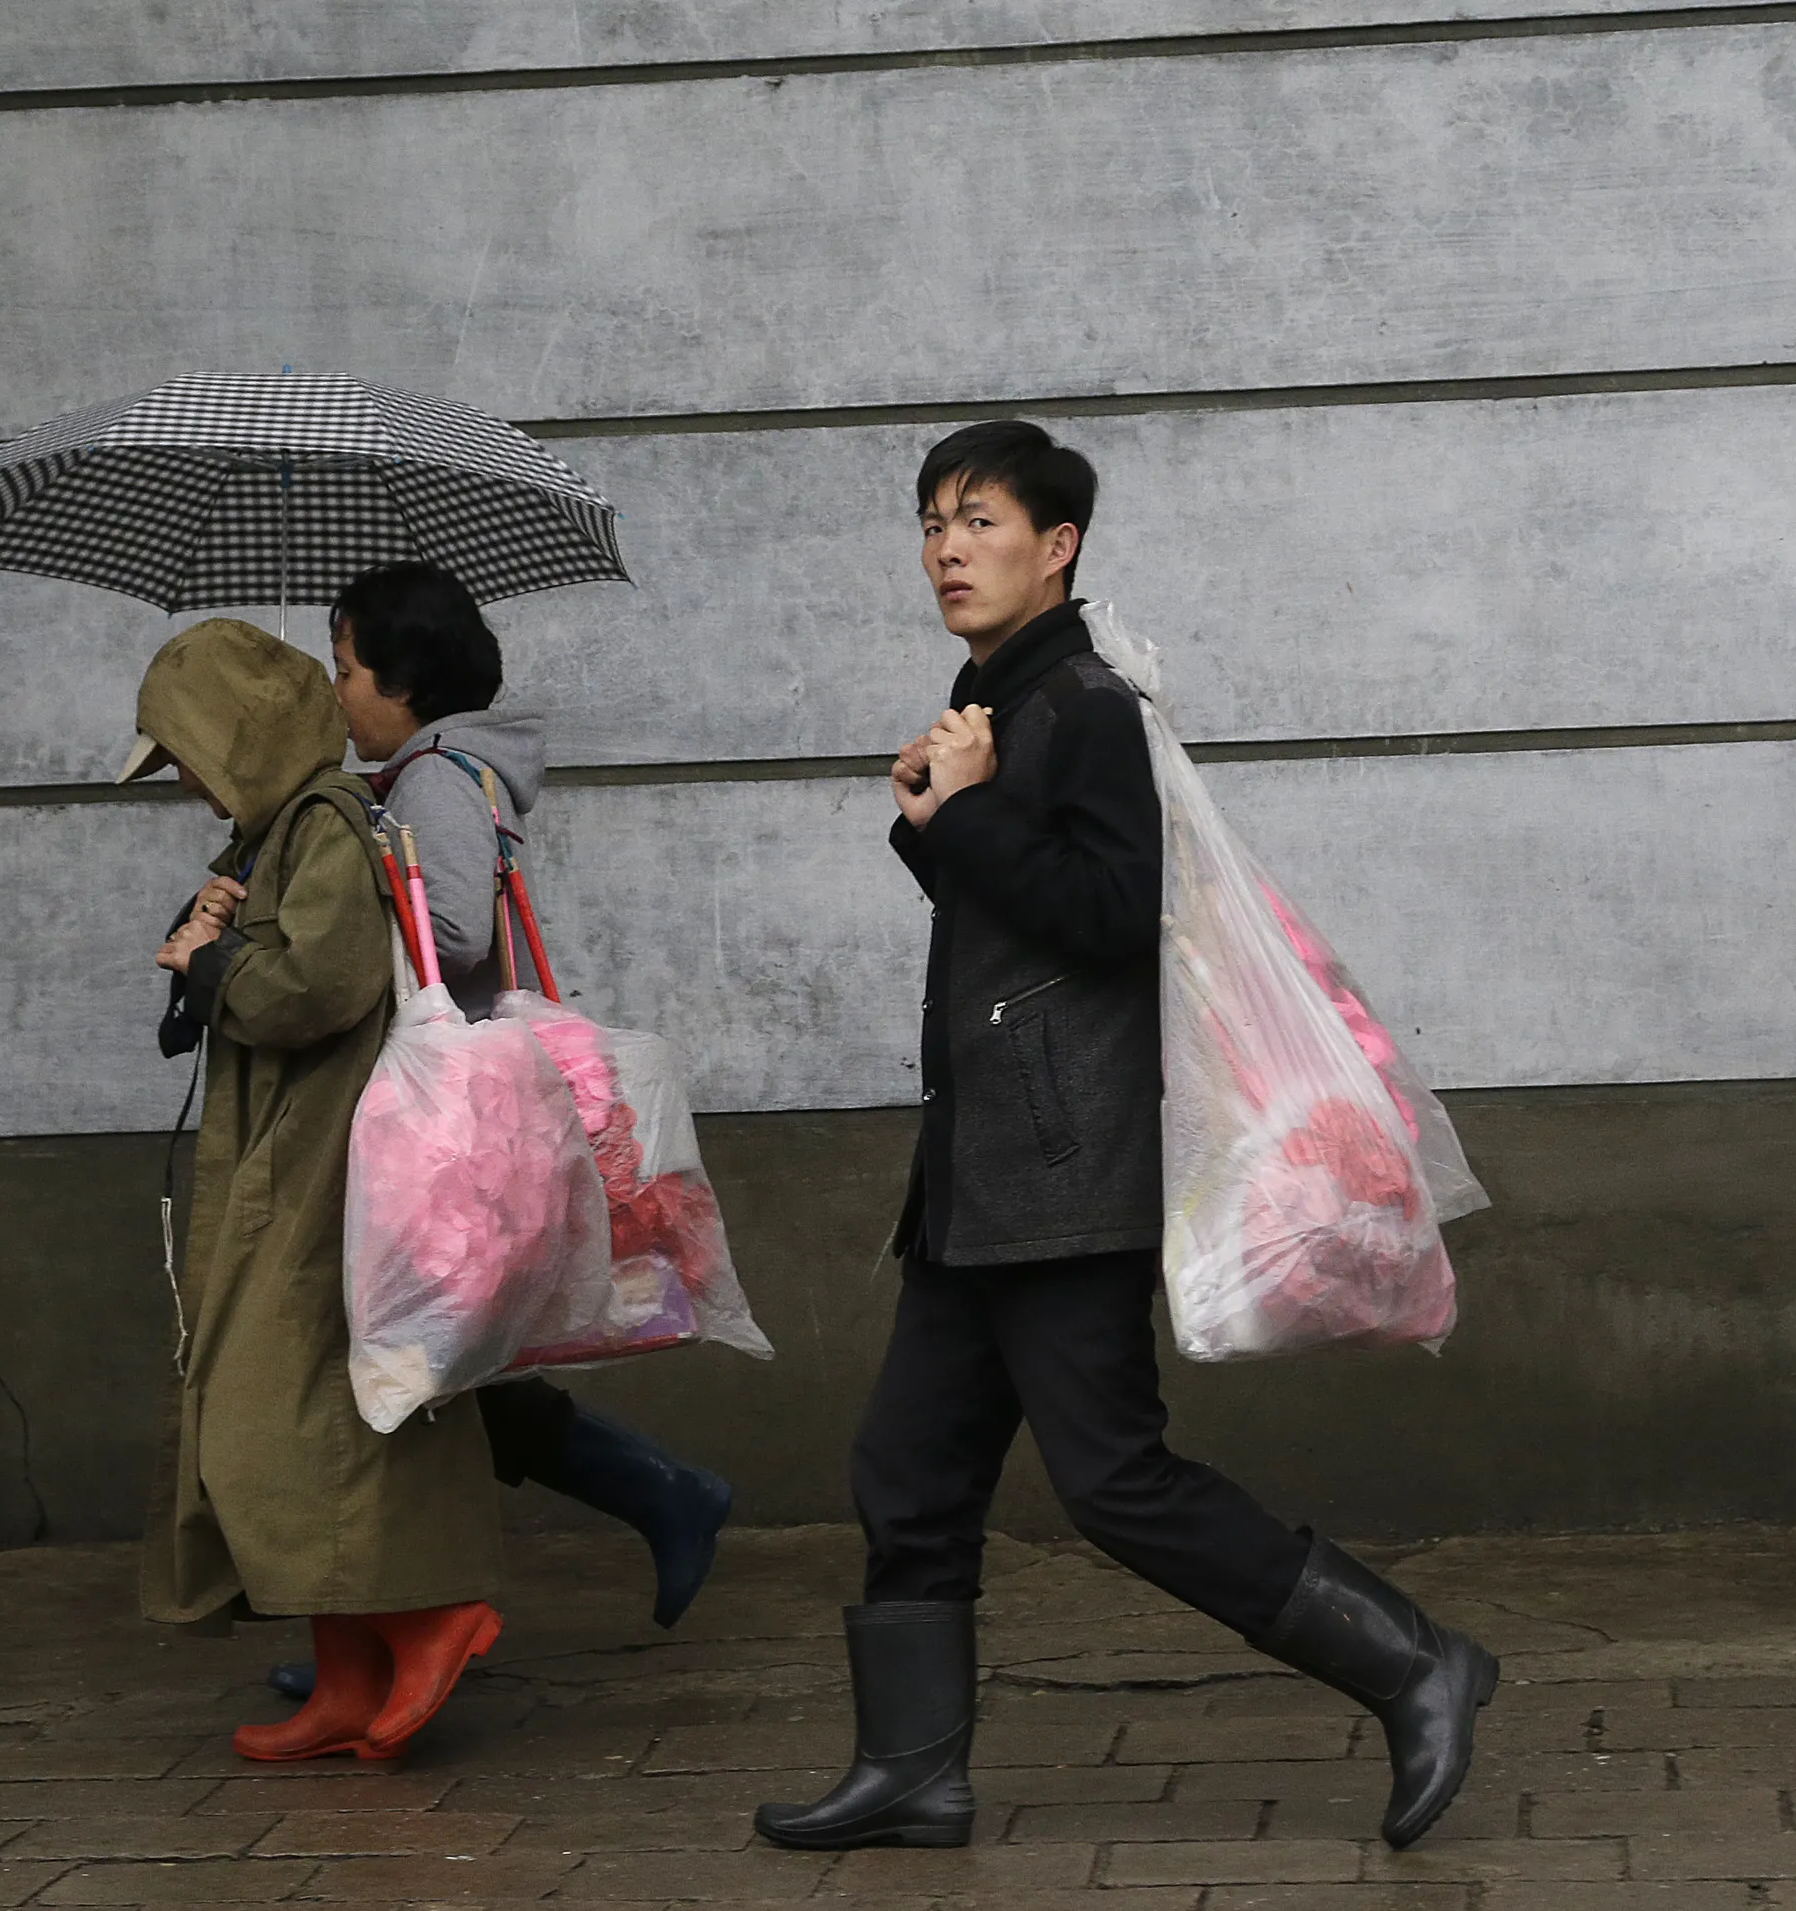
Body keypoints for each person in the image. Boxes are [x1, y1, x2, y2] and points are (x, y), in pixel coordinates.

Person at [753, 422, 1496, 1855]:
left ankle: (1414, 1661)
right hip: (978, 1185)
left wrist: (963, 813)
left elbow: (1106, 918)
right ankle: (914, 1769)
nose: (946, 547)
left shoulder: (1080, 702)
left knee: (1115, 1480)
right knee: (908, 1470)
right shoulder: (1003, 705)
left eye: (977, 519)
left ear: (1060, 544)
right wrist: (937, 818)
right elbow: (1019, 919)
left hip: (1058, 1178)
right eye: (929, 523)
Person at [261, 562, 734, 1704]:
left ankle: (413, 1613)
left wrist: (345, 872)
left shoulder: (430, 778)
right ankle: (643, 1499)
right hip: (466, 1119)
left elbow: (456, 930)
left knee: (403, 1360)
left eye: (345, 669)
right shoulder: (439, 770)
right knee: (436, 1365)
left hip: (443, 1123)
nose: (336, 695)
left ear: (404, 677)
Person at [126, 617, 502, 1762]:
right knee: (298, 1415)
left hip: (320, 1165)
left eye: (185, 751)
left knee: (277, 1421)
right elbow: (259, 983)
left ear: (234, 737)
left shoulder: (325, 826)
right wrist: (205, 946)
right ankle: (345, 1677)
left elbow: (319, 989)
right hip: (276, 1158)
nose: (183, 779)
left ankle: (433, 1618)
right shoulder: (271, 836)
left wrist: (219, 960)